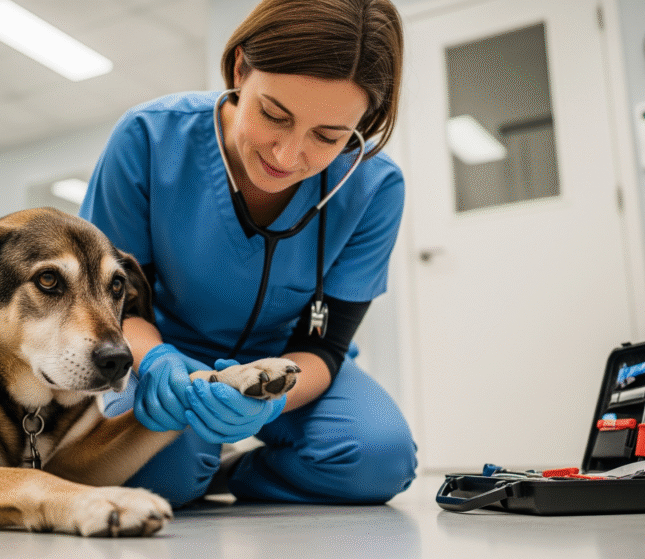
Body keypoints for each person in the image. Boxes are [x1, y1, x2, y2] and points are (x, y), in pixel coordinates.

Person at [80, 0, 416, 507]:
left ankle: (232, 473)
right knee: (161, 473)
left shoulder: (375, 188)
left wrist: (271, 395)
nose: (287, 155)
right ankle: (195, 463)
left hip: (289, 362)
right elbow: (110, 306)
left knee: (377, 458)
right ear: (241, 69)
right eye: (273, 114)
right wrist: (158, 363)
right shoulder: (148, 138)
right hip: (161, 352)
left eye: (328, 136)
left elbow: (324, 345)